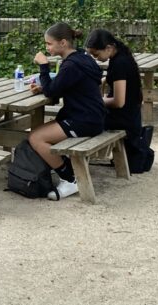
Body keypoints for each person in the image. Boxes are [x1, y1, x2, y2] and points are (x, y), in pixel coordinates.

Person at [27, 22, 105, 201]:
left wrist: (44, 66)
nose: (47, 47)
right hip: (93, 116)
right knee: (38, 132)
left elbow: (52, 92)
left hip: (85, 120)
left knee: (36, 138)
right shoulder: (82, 57)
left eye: (49, 43)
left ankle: (69, 179)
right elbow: (63, 86)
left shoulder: (71, 65)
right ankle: (65, 168)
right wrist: (43, 87)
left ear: (63, 43)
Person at [85, 27, 151, 173]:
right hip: (132, 115)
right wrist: (103, 82)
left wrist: (98, 100)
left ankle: (77, 158)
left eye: (96, 54)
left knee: (84, 121)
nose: (95, 58)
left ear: (108, 48)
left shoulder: (119, 64)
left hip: (124, 119)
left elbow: (119, 102)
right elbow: (115, 80)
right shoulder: (122, 57)